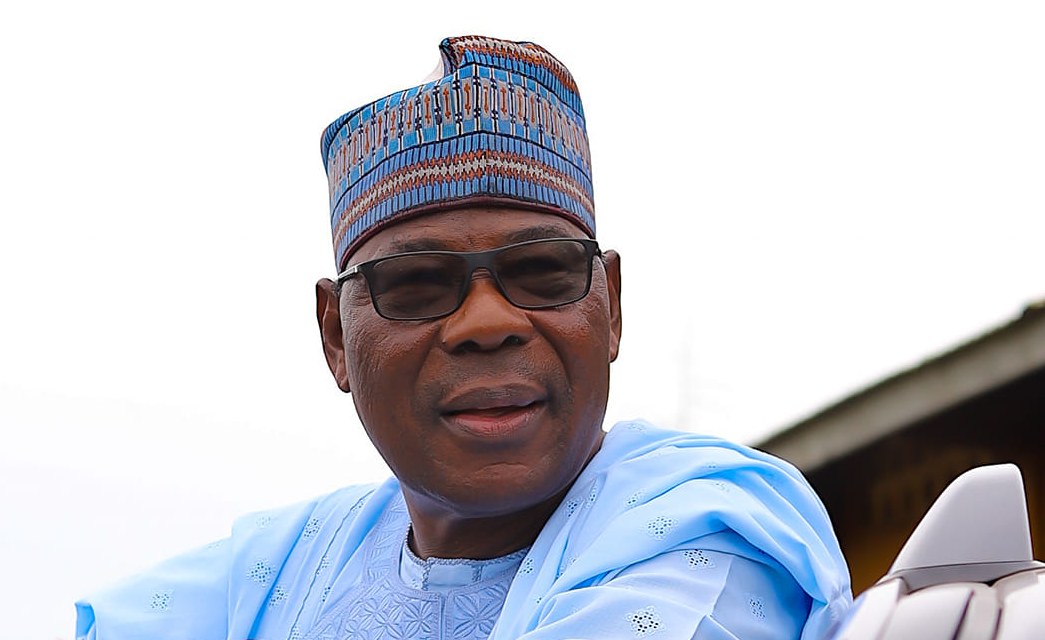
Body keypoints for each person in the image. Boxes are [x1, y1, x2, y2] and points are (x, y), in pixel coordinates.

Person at [75, 35, 852, 639]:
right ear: (336, 337)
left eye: (542, 271)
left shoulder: (708, 528)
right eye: (415, 284)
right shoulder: (280, 568)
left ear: (609, 306)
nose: (488, 323)